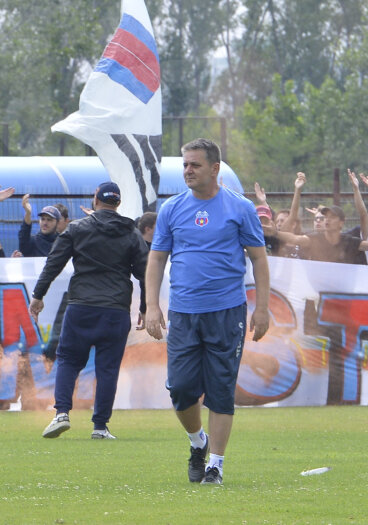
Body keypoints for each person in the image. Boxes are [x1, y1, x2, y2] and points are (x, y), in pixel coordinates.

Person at [144, 138, 270, 486]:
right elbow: (156, 259)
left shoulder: (240, 207)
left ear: (214, 169)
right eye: (185, 164)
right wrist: (151, 305)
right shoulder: (171, 209)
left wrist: (262, 308)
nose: (188, 170)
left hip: (227, 312)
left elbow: (259, 259)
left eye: (195, 165)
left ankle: (216, 465)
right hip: (184, 314)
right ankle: (198, 442)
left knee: (220, 390)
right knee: (181, 388)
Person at [30, 181, 147, 440]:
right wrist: (145, 307)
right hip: (115, 309)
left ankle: (62, 413)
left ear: (96, 199)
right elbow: (144, 273)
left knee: (68, 360)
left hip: (81, 306)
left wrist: (38, 296)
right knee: (108, 369)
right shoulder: (131, 232)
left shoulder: (77, 228)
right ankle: (100, 427)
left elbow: (54, 263)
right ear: (118, 202)